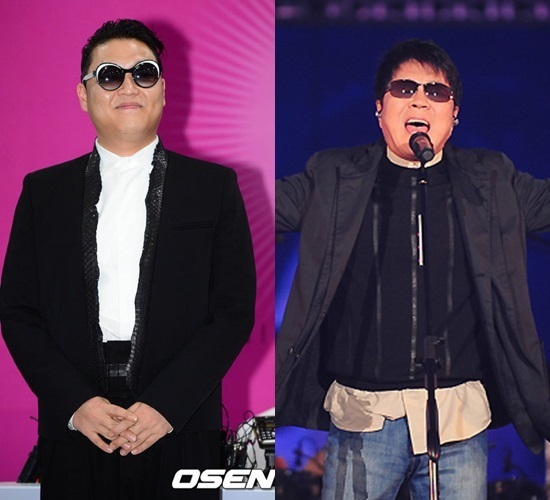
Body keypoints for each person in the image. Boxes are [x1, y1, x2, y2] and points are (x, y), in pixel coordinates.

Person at [275, 39, 550, 499]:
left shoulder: (491, 179)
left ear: (454, 114)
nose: (420, 100)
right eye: (405, 89)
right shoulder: (333, 177)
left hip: (457, 420)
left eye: (436, 92)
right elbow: (249, 206)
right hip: (364, 417)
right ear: (379, 108)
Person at [0, 19, 255, 500]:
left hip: (180, 423)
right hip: (75, 425)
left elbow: (233, 312)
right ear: (84, 94)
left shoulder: (213, 187)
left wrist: (167, 406)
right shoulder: (43, 193)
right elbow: (18, 312)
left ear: (163, 90)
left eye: (143, 72)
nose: (128, 86)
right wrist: (76, 404)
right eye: (109, 75)